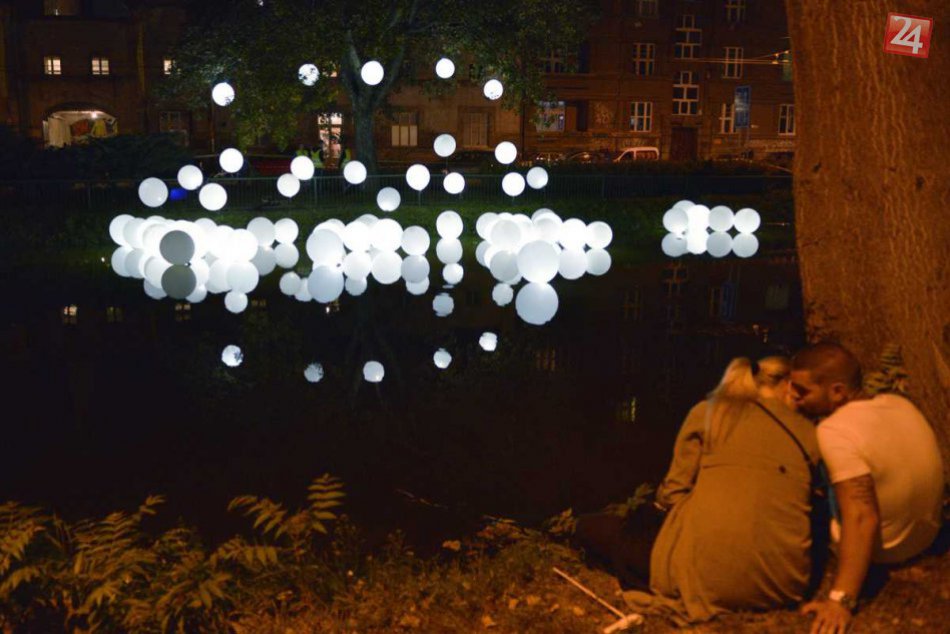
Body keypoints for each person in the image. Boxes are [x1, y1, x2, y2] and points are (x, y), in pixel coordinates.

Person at [577, 356, 821, 625]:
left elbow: (671, 494)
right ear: (787, 386)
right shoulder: (808, 433)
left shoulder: (708, 412)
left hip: (705, 576)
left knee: (593, 527)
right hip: (784, 586)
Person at [789, 342, 944, 634]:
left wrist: (840, 600)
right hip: (926, 533)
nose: (794, 398)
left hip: (890, 547)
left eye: (802, 391)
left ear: (837, 391)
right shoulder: (898, 403)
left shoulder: (833, 431)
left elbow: (862, 515)